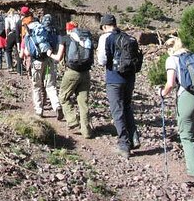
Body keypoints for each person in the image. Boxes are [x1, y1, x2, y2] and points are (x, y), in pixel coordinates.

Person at [160, 36, 194, 187]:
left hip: (186, 97)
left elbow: (170, 83)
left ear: (170, 48)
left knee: (186, 135)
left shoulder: (172, 59)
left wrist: (162, 93)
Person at [97, 13, 139, 159]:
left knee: (117, 111)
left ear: (104, 26)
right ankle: (134, 137)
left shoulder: (105, 38)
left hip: (114, 79)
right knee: (127, 106)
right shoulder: (128, 37)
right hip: (130, 78)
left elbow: (102, 60)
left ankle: (123, 144)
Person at [51, 21, 93, 138]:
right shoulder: (85, 39)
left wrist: (49, 54)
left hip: (72, 73)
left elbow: (58, 58)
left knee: (63, 97)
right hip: (85, 73)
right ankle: (86, 131)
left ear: (68, 29)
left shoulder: (65, 38)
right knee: (83, 102)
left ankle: (73, 120)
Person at [23, 13, 63, 119]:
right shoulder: (53, 32)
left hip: (37, 62)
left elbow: (27, 52)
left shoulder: (32, 33)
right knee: (50, 86)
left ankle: (39, 110)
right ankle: (56, 105)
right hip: (49, 61)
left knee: (37, 86)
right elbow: (58, 47)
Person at [4, 8, 21, 73]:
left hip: (12, 33)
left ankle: (10, 66)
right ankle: (19, 68)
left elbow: (7, 28)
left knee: (8, 50)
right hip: (18, 33)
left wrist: (6, 36)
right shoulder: (18, 16)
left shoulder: (7, 18)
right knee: (18, 50)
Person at [19, 6, 34, 75]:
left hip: (26, 39)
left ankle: (29, 71)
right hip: (30, 39)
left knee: (27, 55)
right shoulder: (32, 18)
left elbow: (25, 31)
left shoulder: (26, 20)